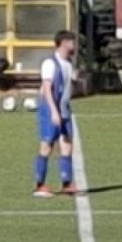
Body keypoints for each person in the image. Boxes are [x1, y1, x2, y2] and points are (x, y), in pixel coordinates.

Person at [32, 30, 79, 198]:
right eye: (72, 42)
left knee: (67, 144)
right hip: (51, 109)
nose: (74, 46)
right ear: (64, 43)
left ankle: (67, 183)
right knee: (47, 144)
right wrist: (53, 111)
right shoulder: (50, 63)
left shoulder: (68, 63)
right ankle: (39, 184)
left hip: (64, 108)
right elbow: (46, 88)